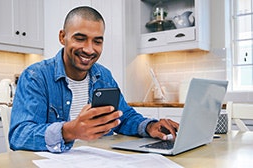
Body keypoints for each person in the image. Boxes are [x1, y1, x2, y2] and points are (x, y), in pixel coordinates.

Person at [9, 6, 179, 153]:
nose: (89, 49)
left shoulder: (104, 76)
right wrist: (70, 131)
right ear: (63, 37)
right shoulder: (36, 76)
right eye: (80, 38)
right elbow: (19, 135)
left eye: (97, 41)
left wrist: (150, 127)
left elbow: (123, 117)